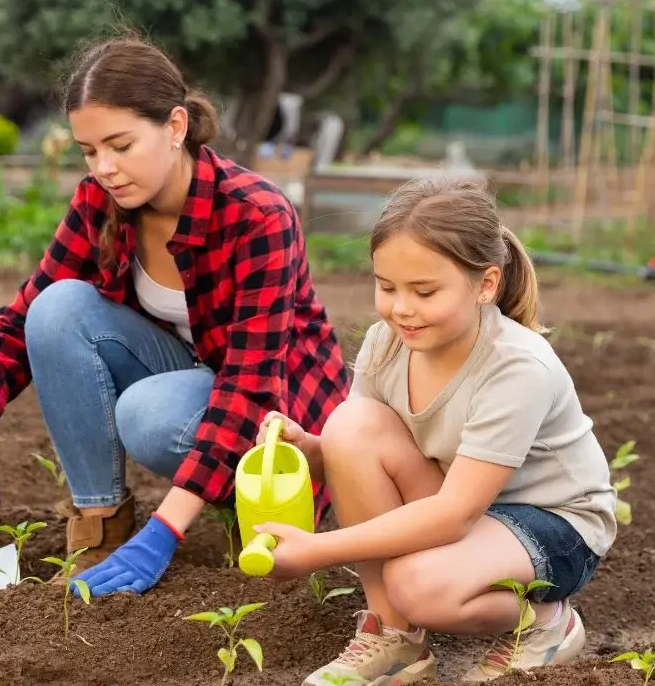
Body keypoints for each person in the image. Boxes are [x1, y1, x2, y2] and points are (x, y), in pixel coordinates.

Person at [0, 34, 351, 596]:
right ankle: (100, 531)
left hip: (281, 421)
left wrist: (164, 532)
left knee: (145, 414)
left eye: (121, 145)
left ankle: (250, 509)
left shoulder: (257, 216)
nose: (105, 168)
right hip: (193, 379)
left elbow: (250, 389)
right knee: (57, 308)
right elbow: (21, 317)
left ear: (176, 127)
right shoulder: (100, 203)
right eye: (90, 151)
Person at [249, 174, 617, 685]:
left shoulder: (515, 367)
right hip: (469, 503)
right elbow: (361, 446)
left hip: (555, 524)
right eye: (387, 287)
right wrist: (312, 449)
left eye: (424, 291)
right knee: (349, 423)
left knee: (418, 585)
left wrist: (315, 550)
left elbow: (453, 514)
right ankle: (393, 637)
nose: (402, 308)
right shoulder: (388, 342)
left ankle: (547, 621)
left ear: (485, 285)